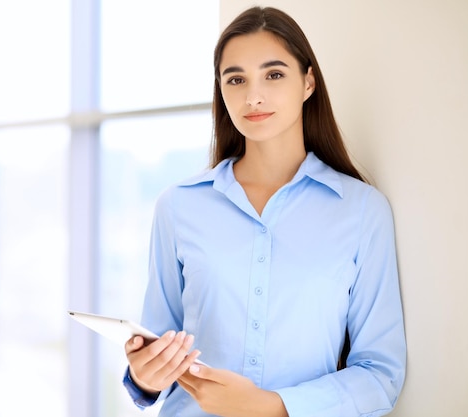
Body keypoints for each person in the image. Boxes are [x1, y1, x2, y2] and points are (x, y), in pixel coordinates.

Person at [122, 6, 406, 417]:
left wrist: (271, 406)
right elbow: (158, 349)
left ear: (308, 82)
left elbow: (381, 377)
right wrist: (145, 379)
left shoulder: (362, 211)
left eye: (274, 75)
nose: (253, 96)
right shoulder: (178, 207)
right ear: (221, 90)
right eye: (235, 79)